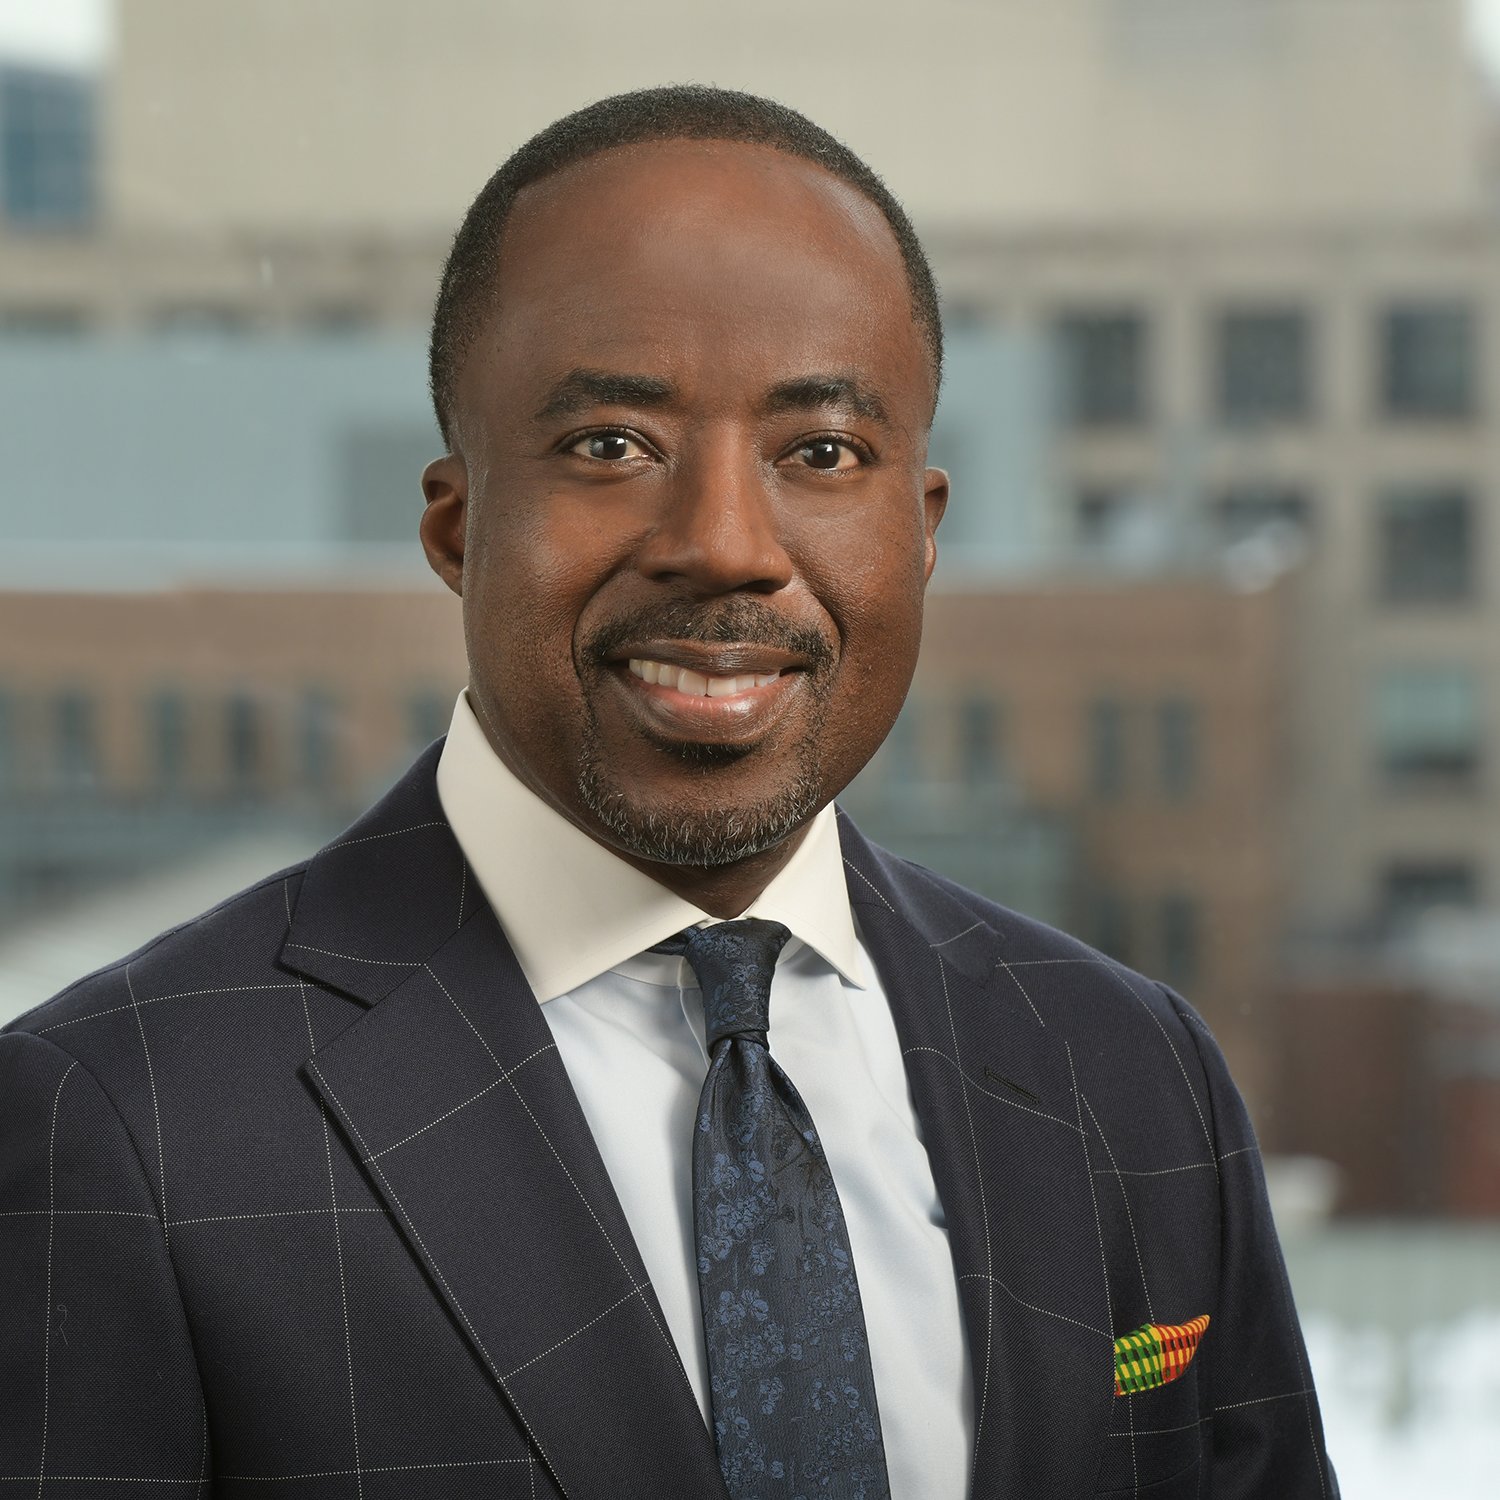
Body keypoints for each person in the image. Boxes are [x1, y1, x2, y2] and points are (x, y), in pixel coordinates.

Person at [0, 86, 1336, 1498]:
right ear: (457, 523)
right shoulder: (119, 1126)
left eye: (820, 454)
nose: (722, 545)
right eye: (611, 448)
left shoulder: (1131, 1075)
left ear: (920, 529)